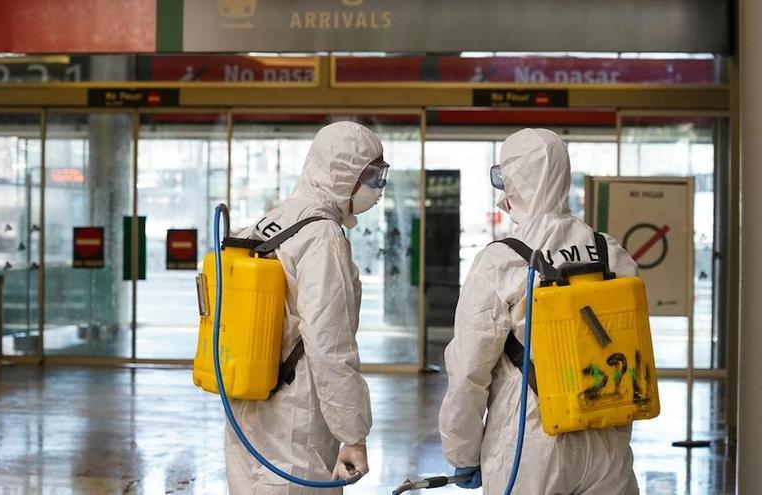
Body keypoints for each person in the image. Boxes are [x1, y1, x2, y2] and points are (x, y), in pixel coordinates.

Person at [438, 128, 640, 494]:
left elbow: (469, 368)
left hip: (532, 440)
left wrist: (462, 452)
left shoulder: (503, 260)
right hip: (608, 439)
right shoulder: (610, 251)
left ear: (513, 181)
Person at [226, 121, 389, 494]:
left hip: (248, 412)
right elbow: (330, 345)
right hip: (295, 424)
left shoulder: (269, 222)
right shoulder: (321, 235)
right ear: (342, 173)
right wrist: (353, 435)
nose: (378, 189)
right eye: (373, 176)